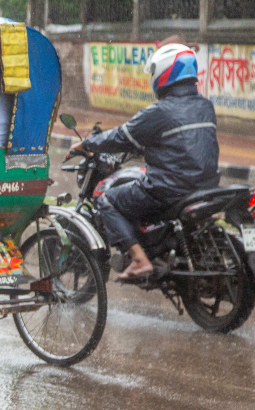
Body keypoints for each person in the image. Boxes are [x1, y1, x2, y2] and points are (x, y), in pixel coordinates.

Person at [69, 43, 219, 279]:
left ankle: (139, 260)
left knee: (105, 197)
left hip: (170, 189)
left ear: (164, 73)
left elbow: (121, 136)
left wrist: (86, 144)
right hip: (205, 187)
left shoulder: (159, 112)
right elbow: (180, 143)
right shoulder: (205, 106)